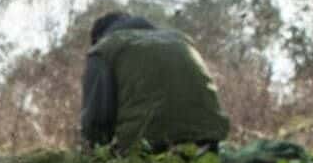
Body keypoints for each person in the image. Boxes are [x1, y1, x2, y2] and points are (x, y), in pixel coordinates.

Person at [80, 11, 230, 155]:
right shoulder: (180, 39)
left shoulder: (103, 49)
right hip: (208, 143)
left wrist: (93, 156)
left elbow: (96, 121)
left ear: (99, 37)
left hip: (148, 149)